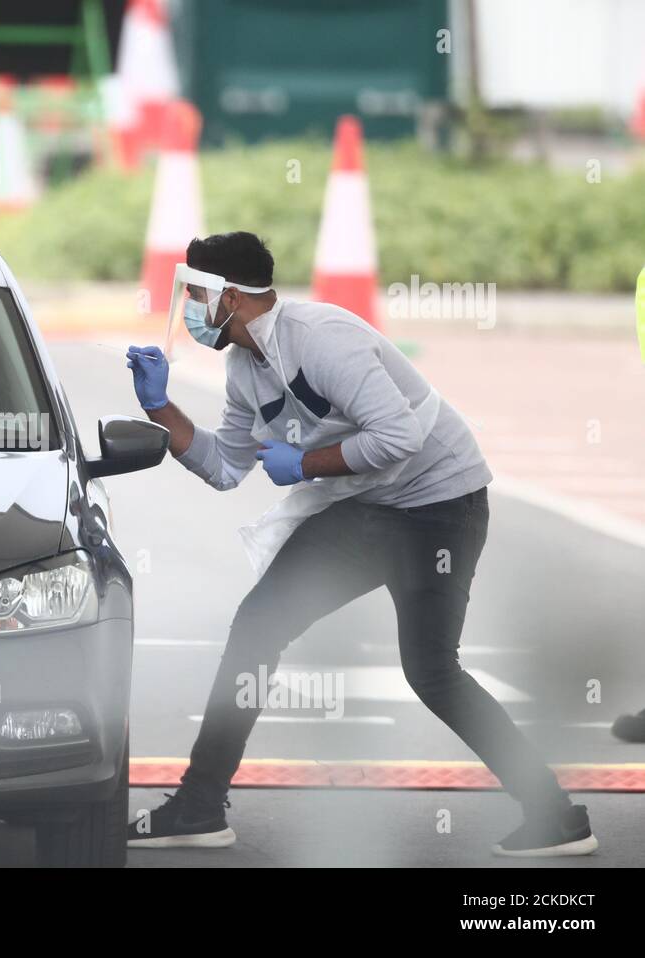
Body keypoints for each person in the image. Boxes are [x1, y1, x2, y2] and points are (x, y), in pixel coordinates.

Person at [124, 231, 597, 858]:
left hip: (439, 506)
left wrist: (308, 463)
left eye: (194, 294)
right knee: (257, 627)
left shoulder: (322, 339)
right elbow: (224, 467)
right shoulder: (243, 367)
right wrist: (160, 407)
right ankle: (199, 806)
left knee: (431, 671)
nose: (185, 307)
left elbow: (396, 435)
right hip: (368, 506)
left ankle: (556, 817)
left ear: (229, 297)